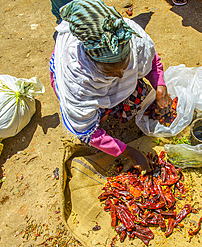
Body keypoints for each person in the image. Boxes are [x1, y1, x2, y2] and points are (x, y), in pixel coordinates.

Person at [49, 0, 172, 172]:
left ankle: (108, 107)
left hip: (100, 77)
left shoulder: (128, 35)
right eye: (111, 72)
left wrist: (160, 86)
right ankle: (103, 112)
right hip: (80, 86)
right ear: (92, 61)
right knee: (97, 119)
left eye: (125, 65)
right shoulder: (78, 79)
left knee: (138, 95)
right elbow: (86, 132)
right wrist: (129, 152)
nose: (121, 75)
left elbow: (151, 60)